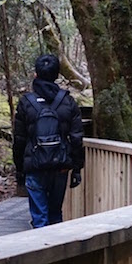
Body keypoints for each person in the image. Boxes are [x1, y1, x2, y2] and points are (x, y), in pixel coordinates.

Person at [11, 52, 86, 227]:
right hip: (60, 167)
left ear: (35, 74)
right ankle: (58, 251)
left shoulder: (26, 102)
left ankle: (40, 249)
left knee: (40, 218)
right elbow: (76, 138)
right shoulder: (67, 102)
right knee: (55, 214)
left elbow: (19, 139)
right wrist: (76, 169)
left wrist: (20, 169)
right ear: (57, 76)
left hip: (35, 167)